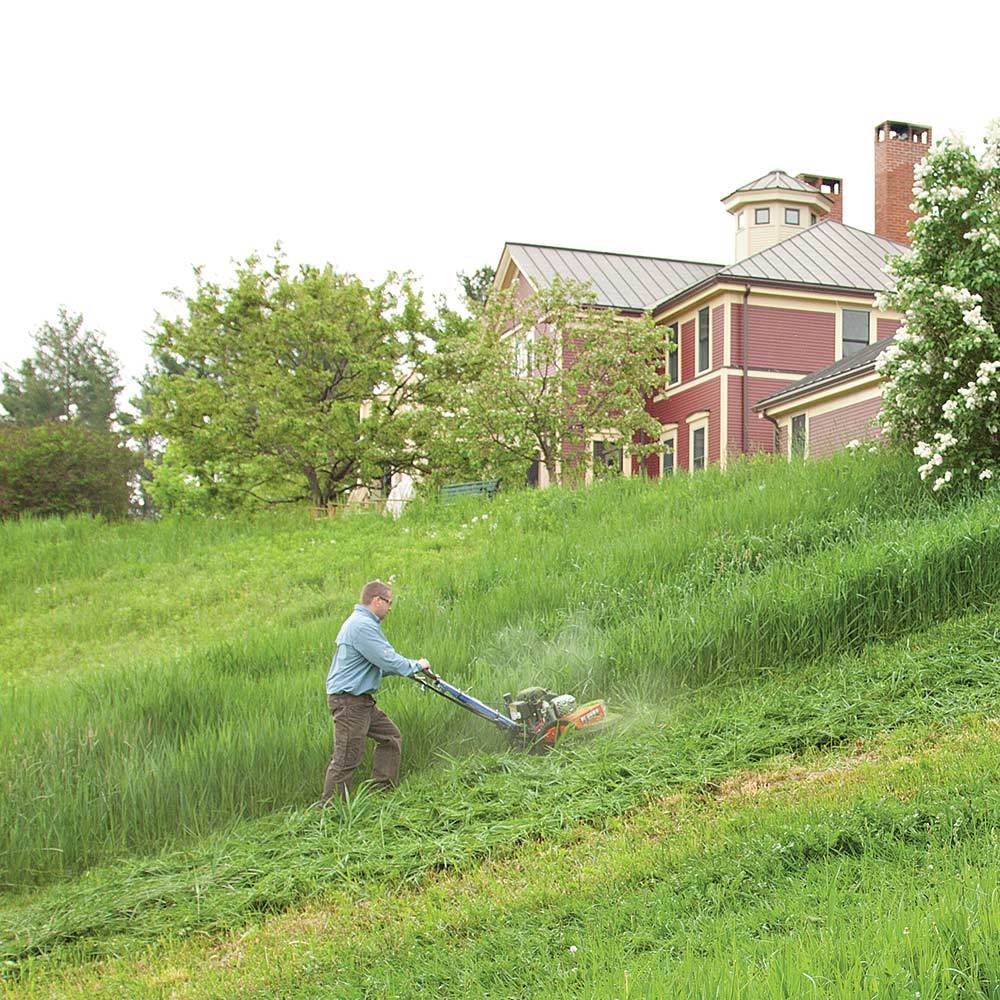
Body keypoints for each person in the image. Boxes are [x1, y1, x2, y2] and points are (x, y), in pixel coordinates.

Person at [321, 579, 431, 802]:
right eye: (389, 602)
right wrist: (417, 665)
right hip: (349, 702)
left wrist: (409, 670)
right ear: (377, 600)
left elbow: (373, 668)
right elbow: (388, 660)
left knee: (390, 737)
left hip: (361, 700)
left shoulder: (363, 623)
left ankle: (382, 793)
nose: (390, 608)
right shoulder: (362, 626)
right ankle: (329, 811)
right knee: (346, 759)